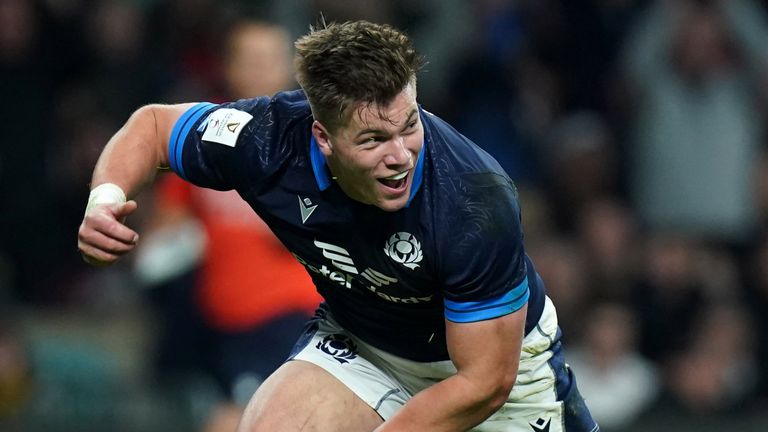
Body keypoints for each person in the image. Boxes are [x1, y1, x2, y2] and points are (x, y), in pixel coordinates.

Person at [77, 20, 598, 432]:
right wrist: (105, 199)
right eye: (373, 140)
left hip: (494, 382)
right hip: (365, 345)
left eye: (409, 125)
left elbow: (486, 381)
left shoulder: (474, 200)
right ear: (323, 137)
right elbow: (152, 126)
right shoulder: (266, 142)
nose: (401, 157)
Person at [134, 21, 321, 432]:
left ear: (288, 68)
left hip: (290, 318)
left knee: (237, 422)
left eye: (269, 60)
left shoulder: (311, 138)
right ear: (228, 66)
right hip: (221, 327)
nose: (259, 71)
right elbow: (166, 224)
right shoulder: (203, 139)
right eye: (248, 60)